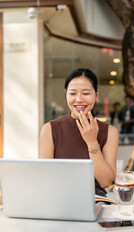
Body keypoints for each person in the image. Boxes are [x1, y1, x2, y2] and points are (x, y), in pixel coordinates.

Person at [39, 68, 118, 196]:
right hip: (59, 196)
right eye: (73, 93)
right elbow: (44, 177)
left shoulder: (110, 132)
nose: (79, 99)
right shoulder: (49, 129)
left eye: (86, 93)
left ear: (96, 95)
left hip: (94, 199)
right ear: (66, 95)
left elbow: (105, 182)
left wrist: (92, 141)